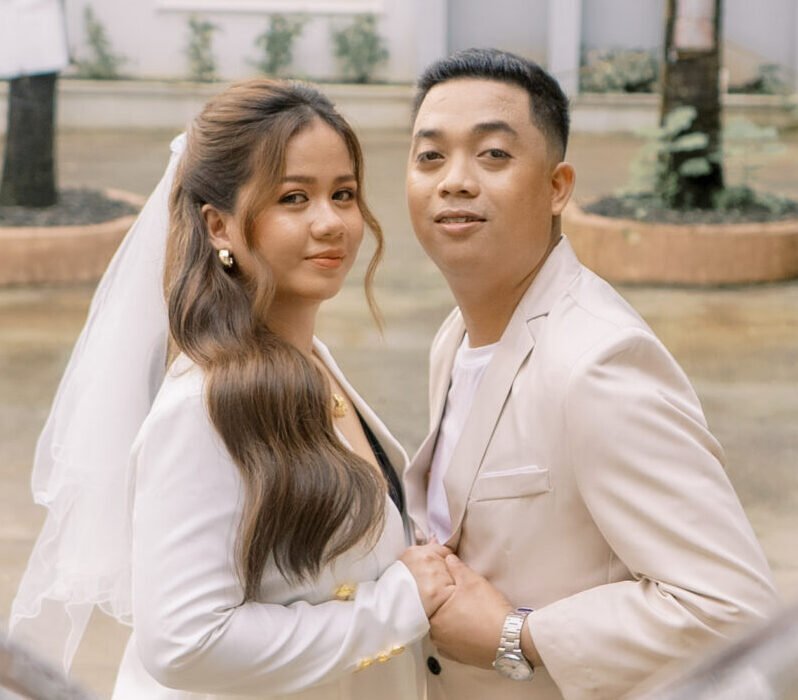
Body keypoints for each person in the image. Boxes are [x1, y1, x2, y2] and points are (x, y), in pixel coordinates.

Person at [10, 79, 454, 699]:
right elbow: (185, 642)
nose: (331, 222)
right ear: (218, 225)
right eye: (294, 198)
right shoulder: (204, 406)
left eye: (343, 194)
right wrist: (397, 606)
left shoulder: (310, 363)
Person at [400, 48, 780, 699]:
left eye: (493, 154)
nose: (455, 180)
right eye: (430, 156)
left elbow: (733, 608)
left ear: (557, 187)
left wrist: (518, 636)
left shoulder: (598, 362)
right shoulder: (455, 335)